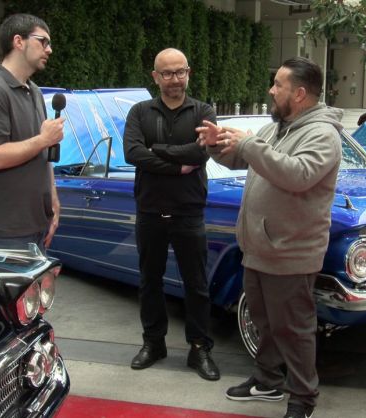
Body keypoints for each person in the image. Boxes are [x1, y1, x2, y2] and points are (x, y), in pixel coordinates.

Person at [197, 57, 342, 418]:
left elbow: (298, 175)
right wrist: (216, 145)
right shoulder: (277, 128)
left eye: (278, 84)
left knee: (294, 329)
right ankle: (267, 380)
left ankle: (303, 398)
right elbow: (240, 158)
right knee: (264, 321)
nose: (271, 90)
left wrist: (249, 145)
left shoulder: (322, 134)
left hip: (291, 252)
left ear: (300, 93)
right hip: (260, 247)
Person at [123, 48, 220, 381]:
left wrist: (159, 151)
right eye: (167, 73)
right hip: (150, 211)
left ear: (188, 73)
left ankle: (200, 348)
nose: (174, 79)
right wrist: (178, 166)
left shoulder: (203, 111)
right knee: (149, 281)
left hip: (189, 212)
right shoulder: (139, 112)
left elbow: (201, 153)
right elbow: (133, 153)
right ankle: (154, 343)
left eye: (180, 72)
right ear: (155, 77)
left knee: (197, 285)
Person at [0, 13, 64, 253]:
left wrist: (52, 199)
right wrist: (43, 139)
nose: (49, 49)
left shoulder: (35, 92)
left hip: (35, 224)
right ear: (18, 41)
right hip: (2, 232)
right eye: (43, 41)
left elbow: (43, 154)